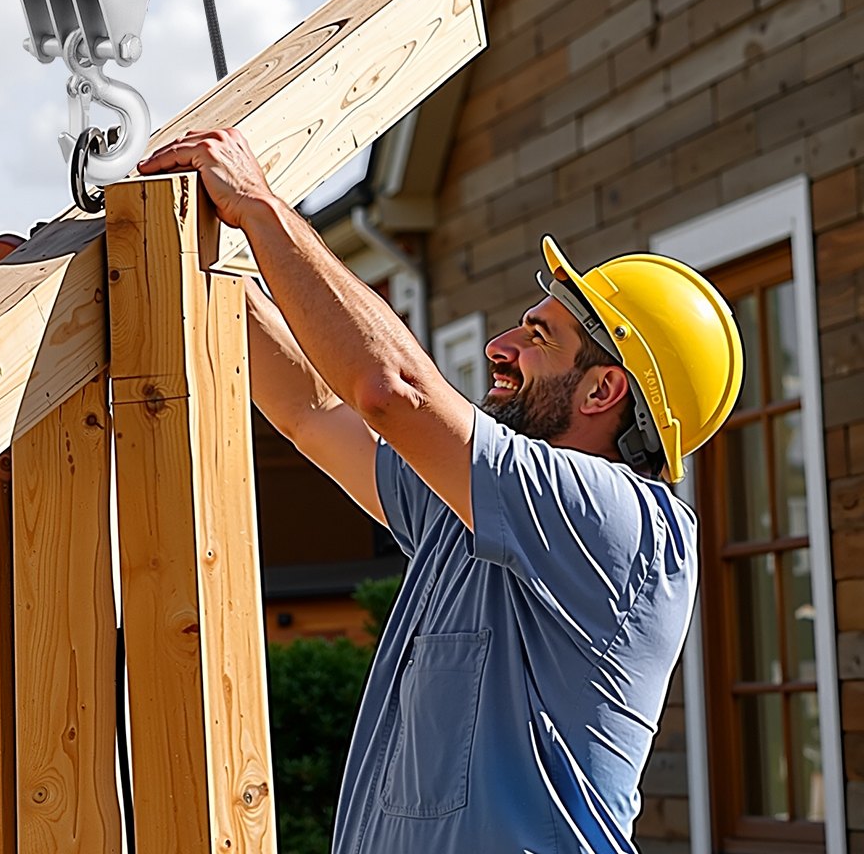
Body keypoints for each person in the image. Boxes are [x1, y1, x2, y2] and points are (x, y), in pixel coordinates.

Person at [137, 126, 744, 854]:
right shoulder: (471, 514)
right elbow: (314, 411)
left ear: (602, 390)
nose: (499, 347)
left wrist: (260, 208)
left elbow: (390, 391)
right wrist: (185, 263)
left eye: (538, 338)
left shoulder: (623, 526)